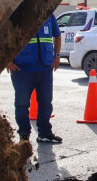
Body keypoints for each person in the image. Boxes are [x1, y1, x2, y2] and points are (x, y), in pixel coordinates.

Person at [6, 13, 63, 143]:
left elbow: (57, 35)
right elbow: (4, 39)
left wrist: (57, 56)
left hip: (45, 67)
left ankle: (44, 133)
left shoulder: (49, 14)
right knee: (22, 105)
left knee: (46, 103)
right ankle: (24, 136)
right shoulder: (18, 14)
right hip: (22, 69)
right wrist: (7, 60)